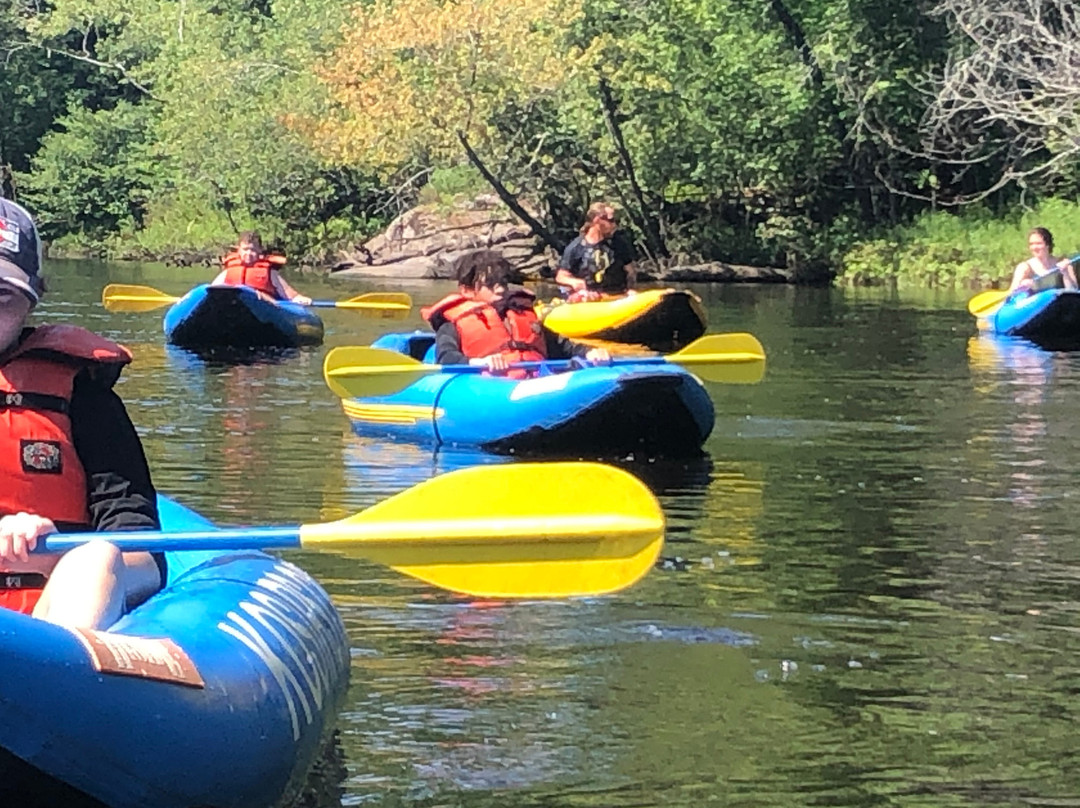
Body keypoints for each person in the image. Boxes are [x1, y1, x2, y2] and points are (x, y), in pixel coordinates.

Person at [0, 198, 164, 628]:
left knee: (97, 556)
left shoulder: (85, 399)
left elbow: (145, 552)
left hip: (42, 626)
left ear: (33, 301)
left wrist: (60, 553)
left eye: (2, 296)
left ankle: (62, 680)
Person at [422, 249, 610, 374]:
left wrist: (591, 352)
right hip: (487, 385)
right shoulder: (452, 324)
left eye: (503, 283)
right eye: (490, 285)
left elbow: (563, 347)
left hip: (533, 378)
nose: (501, 290)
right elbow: (447, 357)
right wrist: (480, 363)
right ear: (467, 290)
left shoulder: (521, 314)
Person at [554, 202, 638, 302]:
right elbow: (561, 276)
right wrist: (574, 282)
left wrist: (629, 289)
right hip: (590, 298)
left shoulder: (619, 244)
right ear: (597, 220)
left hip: (617, 296)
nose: (614, 225)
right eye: (611, 220)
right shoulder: (576, 247)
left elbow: (631, 271)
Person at [212, 231, 313, 305]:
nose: (248, 253)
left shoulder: (270, 273)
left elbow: (290, 295)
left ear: (260, 250)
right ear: (238, 250)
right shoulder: (229, 271)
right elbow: (211, 291)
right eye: (245, 249)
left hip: (262, 307)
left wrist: (300, 299)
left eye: (252, 250)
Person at [1007, 227, 1078, 293]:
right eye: (1031, 244)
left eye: (1038, 243)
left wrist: (1065, 273)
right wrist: (1021, 287)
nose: (1034, 247)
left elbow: (1073, 291)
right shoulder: (1024, 268)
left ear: (1048, 245)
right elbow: (1011, 295)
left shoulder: (1063, 262)